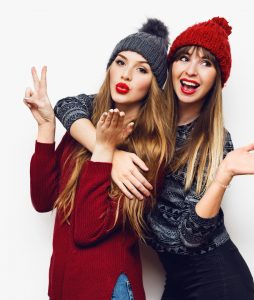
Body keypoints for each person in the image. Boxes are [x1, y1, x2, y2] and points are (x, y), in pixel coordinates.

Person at [53, 17, 254, 299]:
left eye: (206, 63)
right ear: (169, 66)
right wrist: (112, 155)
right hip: (175, 278)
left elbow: (187, 237)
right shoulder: (143, 113)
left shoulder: (214, 142)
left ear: (217, 78)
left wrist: (222, 177)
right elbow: (68, 106)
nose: (191, 71)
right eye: (184, 58)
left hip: (217, 280)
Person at [24, 18, 172, 300]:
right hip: (66, 287)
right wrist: (46, 128)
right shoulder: (85, 129)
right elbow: (43, 201)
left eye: (141, 69)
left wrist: (105, 152)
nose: (126, 75)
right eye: (120, 62)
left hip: (109, 290)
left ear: (153, 84)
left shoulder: (151, 152)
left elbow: (87, 231)